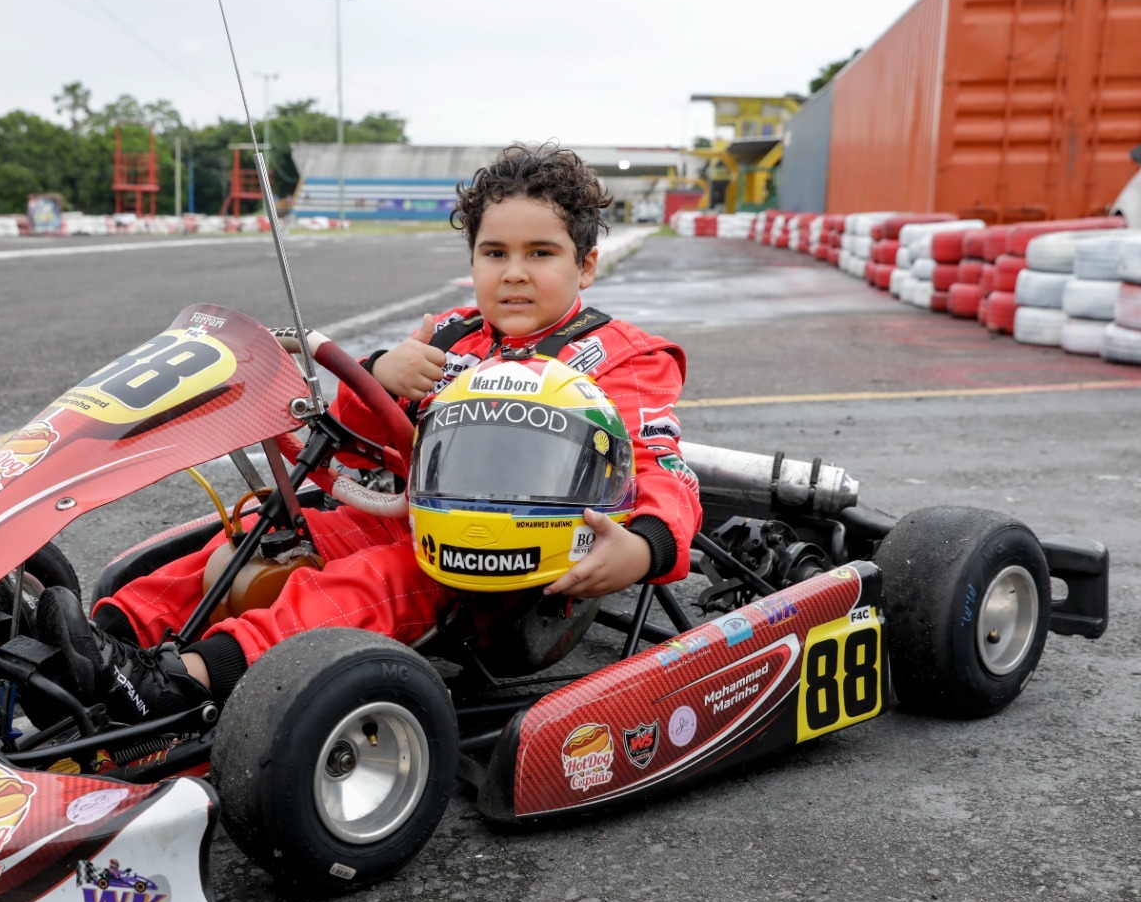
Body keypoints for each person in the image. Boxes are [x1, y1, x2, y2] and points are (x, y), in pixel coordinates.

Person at [69, 144, 702, 723]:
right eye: (495, 253)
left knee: (366, 583)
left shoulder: (620, 356)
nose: (514, 273)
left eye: (540, 254)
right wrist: (381, 376)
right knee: (267, 538)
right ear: (473, 259)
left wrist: (644, 547)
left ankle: (196, 679)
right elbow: (346, 449)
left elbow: (663, 471)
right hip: (416, 518)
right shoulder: (450, 337)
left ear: (586, 264)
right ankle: (105, 638)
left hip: (525, 565)